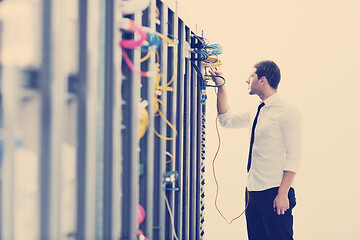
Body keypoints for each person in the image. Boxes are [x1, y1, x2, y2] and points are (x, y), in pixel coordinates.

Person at [209, 60, 302, 240]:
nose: (247, 80)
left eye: (251, 76)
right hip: (253, 193)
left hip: (274, 192)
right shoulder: (257, 110)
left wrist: (282, 194)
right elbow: (226, 120)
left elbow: (294, 157)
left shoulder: (287, 113)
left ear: (262, 80)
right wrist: (221, 87)